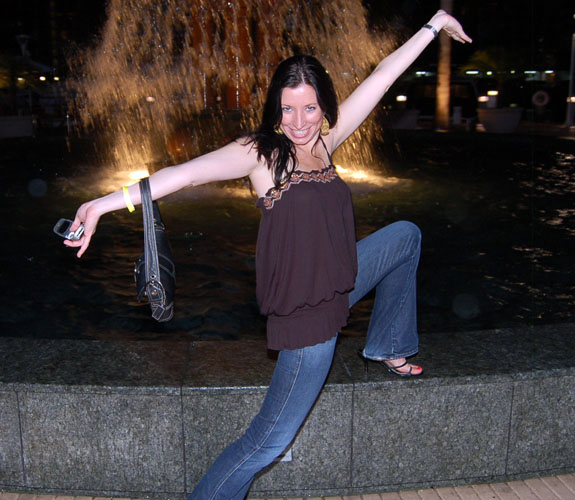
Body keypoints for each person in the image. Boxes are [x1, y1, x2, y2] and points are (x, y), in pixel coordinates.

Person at [65, 9, 471, 500]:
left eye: (310, 109)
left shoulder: (327, 141)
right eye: (287, 109)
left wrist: (432, 26)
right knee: (266, 442)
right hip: (309, 316)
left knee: (405, 234)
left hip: (339, 281)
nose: (298, 122)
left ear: (324, 108)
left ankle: (386, 344)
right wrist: (101, 205)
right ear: (274, 109)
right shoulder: (261, 153)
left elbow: (381, 77)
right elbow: (183, 174)